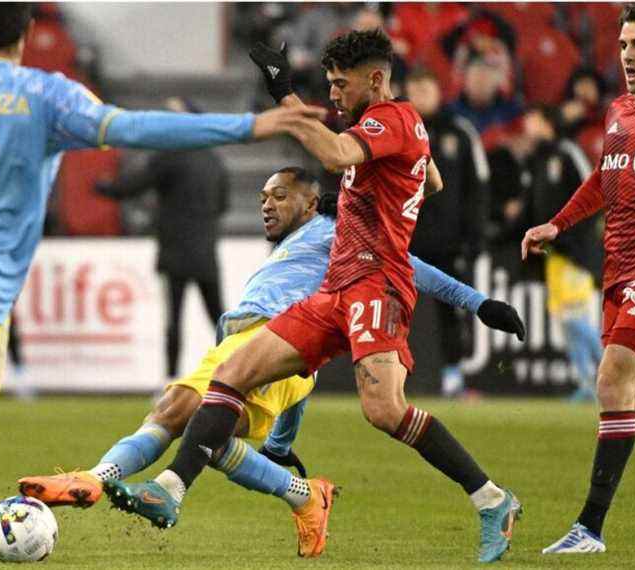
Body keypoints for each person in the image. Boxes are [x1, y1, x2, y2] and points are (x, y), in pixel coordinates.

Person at [107, 29, 525, 564]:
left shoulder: (391, 118)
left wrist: (286, 97)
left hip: (378, 283)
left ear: (376, 79)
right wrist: (377, 184)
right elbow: (432, 180)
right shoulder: (395, 127)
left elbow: (335, 155)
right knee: (230, 375)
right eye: (327, 84)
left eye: (339, 84)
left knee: (384, 410)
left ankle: (493, 500)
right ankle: (169, 490)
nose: (332, 94)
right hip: (336, 291)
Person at [0, 2, 323, 536]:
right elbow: (136, 127)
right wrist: (250, 125)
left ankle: (110, 477)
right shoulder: (47, 94)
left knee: (192, 407)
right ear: (28, 30)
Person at [19, 165, 526, 557]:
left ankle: (97, 478)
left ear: (311, 203)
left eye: (279, 196)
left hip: (266, 343)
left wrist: (477, 303)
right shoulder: (291, 248)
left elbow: (408, 267)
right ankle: (304, 496)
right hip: (254, 346)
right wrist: (283, 441)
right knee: (208, 436)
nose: (266, 205)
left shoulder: (332, 231)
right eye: (262, 198)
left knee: (177, 408)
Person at [522, 3, 635, 554]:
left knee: (609, 383)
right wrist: (558, 221)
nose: (627, 56)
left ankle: (588, 530)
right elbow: (606, 177)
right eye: (623, 45)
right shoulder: (619, 109)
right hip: (619, 267)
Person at [97, 97, 229, 379]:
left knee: (174, 320)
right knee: (220, 319)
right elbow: (222, 205)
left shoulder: (171, 156)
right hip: (206, 251)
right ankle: (239, 376)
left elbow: (130, 186)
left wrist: (103, 187)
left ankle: (170, 380)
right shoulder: (215, 161)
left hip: (175, 251)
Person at [405, 67, 490, 397]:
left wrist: (474, 238)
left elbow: (478, 187)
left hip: (449, 243)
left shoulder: (460, 131)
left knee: (453, 311)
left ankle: (453, 377)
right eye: (415, 86)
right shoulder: (399, 130)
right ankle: (386, 376)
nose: (421, 94)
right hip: (404, 241)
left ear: (438, 91)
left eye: (426, 86)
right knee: (391, 310)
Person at [519, 105, 603, 402]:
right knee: (565, 320)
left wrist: (580, 244)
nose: (526, 127)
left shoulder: (567, 153)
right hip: (555, 254)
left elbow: (593, 194)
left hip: (576, 254)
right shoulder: (537, 160)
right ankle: (585, 384)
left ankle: (612, 368)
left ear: (545, 123)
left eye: (531, 120)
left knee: (572, 318)